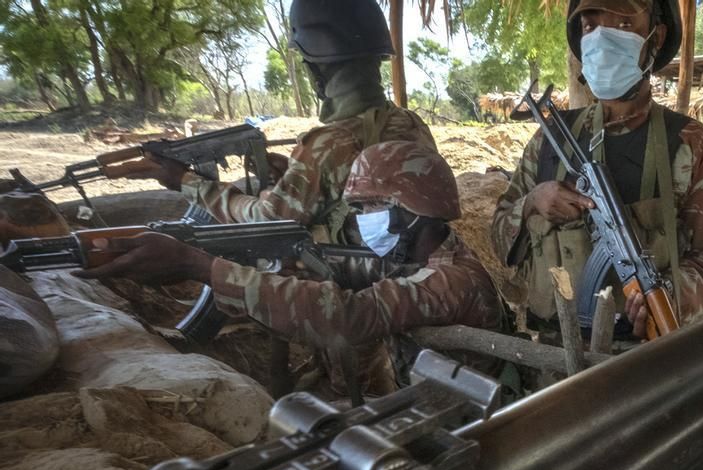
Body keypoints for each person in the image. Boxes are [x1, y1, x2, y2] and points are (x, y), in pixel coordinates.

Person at [74, 140, 504, 390]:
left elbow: (351, 316)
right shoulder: (410, 257)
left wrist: (201, 267)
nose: (361, 218)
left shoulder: (453, 279)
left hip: (465, 420)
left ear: (415, 207)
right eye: (357, 207)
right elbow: (357, 284)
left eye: (373, 205)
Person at [491, 0, 703, 340]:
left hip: (642, 358)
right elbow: (499, 238)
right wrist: (531, 202)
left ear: (656, 36)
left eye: (623, 25)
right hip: (548, 353)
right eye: (590, 27)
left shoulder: (694, 144)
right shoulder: (549, 139)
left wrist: (666, 300)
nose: (602, 38)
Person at [116, 0, 436, 245]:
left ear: (316, 67)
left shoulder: (328, 143)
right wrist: (294, 174)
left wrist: (187, 182)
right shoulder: (411, 122)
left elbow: (270, 220)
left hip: (362, 281)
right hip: (404, 260)